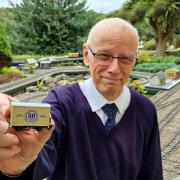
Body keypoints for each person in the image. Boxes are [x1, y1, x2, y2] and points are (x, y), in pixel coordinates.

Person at [0, 18, 163, 180]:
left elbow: (151, 173)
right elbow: (41, 153)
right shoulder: (61, 103)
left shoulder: (145, 109)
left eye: (126, 59)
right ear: (86, 54)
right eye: (104, 56)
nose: (114, 69)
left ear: (135, 59)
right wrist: (18, 166)